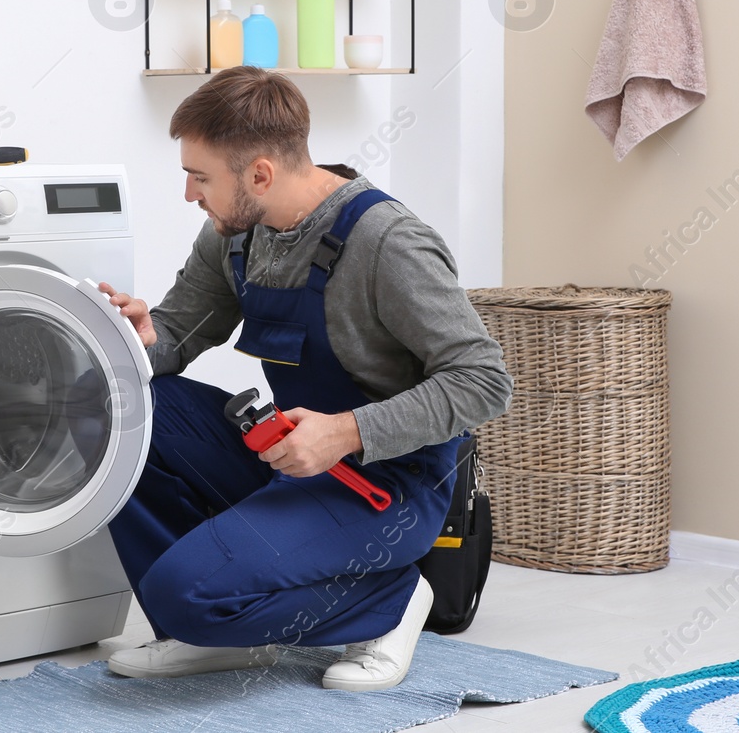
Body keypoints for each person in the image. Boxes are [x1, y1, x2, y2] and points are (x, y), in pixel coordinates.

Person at [98, 67, 511, 692]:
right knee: (125, 408)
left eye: (200, 176)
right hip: (292, 458)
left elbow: (484, 380)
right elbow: (177, 336)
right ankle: (208, 624)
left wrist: (346, 432)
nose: (189, 194)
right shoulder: (236, 235)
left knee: (182, 593)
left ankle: (390, 601)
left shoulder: (389, 244)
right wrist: (141, 337)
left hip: (388, 488)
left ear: (259, 174)